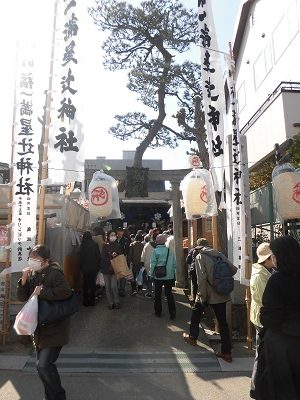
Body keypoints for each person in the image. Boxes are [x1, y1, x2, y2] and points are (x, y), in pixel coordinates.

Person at [17, 244, 72, 400]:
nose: (32, 260)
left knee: (43, 365)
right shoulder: (34, 274)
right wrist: (24, 280)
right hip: (40, 327)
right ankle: (50, 396)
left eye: (36, 258)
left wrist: (43, 292)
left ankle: (58, 396)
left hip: (55, 327)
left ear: (46, 260)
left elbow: (66, 291)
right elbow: (23, 297)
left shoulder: (55, 273)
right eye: (31, 257)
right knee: (44, 367)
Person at [254, 236, 300, 400]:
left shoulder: (277, 279)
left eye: (273, 254)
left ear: (281, 256)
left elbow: (269, 317)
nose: (272, 258)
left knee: (279, 391)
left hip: (282, 345)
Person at [182, 238, 237, 362]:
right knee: (223, 323)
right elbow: (233, 270)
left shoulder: (200, 257)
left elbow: (201, 278)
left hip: (206, 293)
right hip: (222, 293)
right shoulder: (219, 254)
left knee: (195, 316)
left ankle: (192, 338)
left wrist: (201, 295)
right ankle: (226, 352)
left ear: (198, 247)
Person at [249, 242, 274, 398]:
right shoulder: (260, 275)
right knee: (261, 355)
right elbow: (265, 300)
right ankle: (256, 388)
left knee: (263, 355)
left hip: (261, 317)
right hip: (262, 319)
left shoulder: (264, 271)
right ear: (268, 259)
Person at [150, 234, 176, 319]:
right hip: (169, 276)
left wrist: (151, 274)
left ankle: (158, 312)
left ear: (157, 242)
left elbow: (152, 264)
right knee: (169, 294)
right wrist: (173, 273)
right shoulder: (170, 251)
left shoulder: (155, 251)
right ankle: (172, 313)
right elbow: (174, 264)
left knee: (157, 294)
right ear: (165, 241)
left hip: (158, 276)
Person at [79, 231, 101, 306]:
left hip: (85, 269)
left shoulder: (83, 245)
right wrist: (98, 267)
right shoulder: (95, 244)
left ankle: (85, 301)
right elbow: (98, 257)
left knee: (85, 284)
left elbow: (80, 257)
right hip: (93, 268)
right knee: (92, 284)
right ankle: (92, 301)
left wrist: (80, 267)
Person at [101, 230, 122, 309]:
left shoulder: (118, 245)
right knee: (107, 287)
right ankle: (110, 303)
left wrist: (116, 256)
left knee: (114, 286)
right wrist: (111, 256)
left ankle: (117, 301)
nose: (113, 236)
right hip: (106, 269)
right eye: (111, 235)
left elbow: (120, 256)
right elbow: (103, 257)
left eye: (114, 235)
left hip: (114, 269)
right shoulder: (105, 246)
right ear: (108, 236)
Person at [186, 238, 204, 304]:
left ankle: (195, 300)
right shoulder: (205, 251)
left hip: (193, 269)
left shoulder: (192, 250)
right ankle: (202, 300)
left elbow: (187, 260)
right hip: (202, 270)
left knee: (195, 285)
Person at [141, 230, 158, 298]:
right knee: (156, 279)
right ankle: (157, 292)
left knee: (149, 279)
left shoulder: (147, 245)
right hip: (157, 264)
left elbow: (143, 255)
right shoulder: (160, 246)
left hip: (148, 264)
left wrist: (142, 262)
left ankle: (149, 292)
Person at [116, 227, 130, 297]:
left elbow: (127, 250)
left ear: (123, 232)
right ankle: (116, 289)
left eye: (121, 231)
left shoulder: (125, 240)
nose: (119, 233)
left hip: (123, 258)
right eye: (118, 231)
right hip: (115, 259)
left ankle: (122, 289)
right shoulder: (114, 239)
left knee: (123, 275)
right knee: (116, 275)